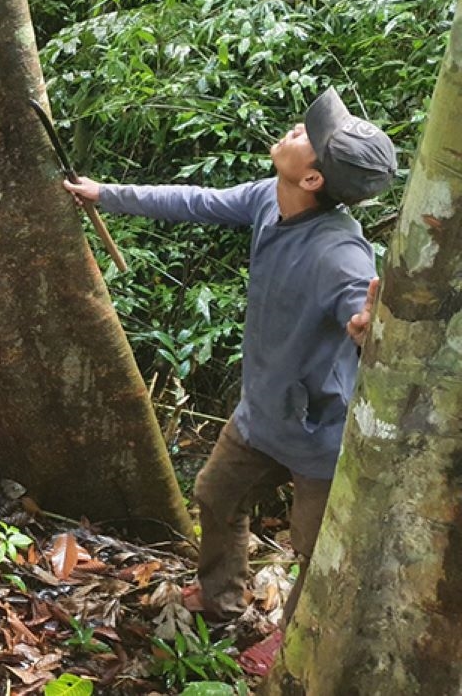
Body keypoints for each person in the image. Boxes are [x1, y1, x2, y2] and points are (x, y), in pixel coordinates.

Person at [63, 87, 396, 676]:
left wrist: (368, 327)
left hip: (320, 433)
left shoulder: (339, 252)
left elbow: (360, 307)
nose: (296, 128)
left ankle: (297, 641)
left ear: (315, 179)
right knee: (216, 496)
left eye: (305, 137)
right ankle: (221, 599)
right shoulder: (270, 201)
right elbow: (197, 200)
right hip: (260, 413)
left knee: (316, 552)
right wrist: (106, 195)